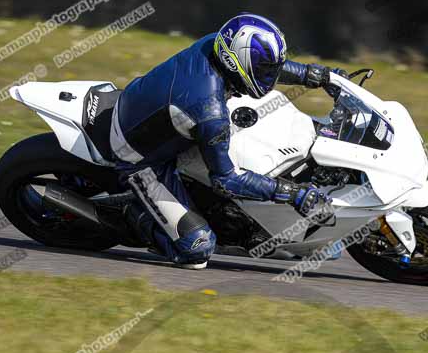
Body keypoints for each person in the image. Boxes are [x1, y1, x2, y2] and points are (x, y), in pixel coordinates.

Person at [109, 13, 343, 269]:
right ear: (234, 62)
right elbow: (226, 180)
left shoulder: (215, 44)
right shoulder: (210, 112)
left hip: (156, 115)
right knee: (198, 249)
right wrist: (291, 193)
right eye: (264, 70)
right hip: (139, 158)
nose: (269, 75)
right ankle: (132, 214)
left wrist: (315, 75)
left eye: (268, 68)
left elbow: (266, 65)